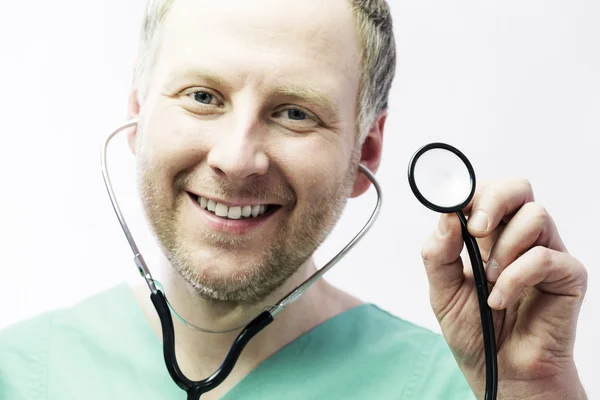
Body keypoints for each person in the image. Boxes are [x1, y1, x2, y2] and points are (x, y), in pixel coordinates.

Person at [0, 0, 589, 399]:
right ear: (137, 113)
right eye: (202, 96)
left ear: (368, 151)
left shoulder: (467, 385)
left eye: (294, 113)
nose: (236, 157)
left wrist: (533, 395)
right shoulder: (18, 371)